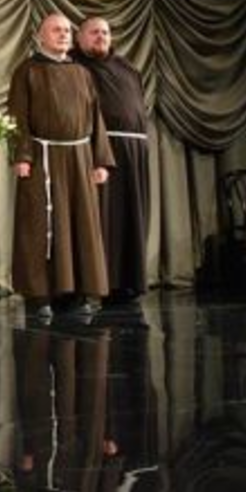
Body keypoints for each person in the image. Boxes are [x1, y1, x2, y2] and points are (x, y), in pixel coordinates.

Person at [8, 13, 113, 320]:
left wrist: (100, 159)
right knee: (40, 226)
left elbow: (96, 118)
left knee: (80, 224)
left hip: (79, 157)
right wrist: (22, 156)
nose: (64, 34)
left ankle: (78, 293)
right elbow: (17, 117)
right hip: (43, 157)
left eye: (67, 30)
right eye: (56, 30)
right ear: (41, 36)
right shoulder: (27, 71)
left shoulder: (81, 72)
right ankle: (40, 294)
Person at [74, 17, 149, 304]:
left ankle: (129, 281)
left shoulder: (127, 68)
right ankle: (100, 282)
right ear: (79, 37)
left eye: (105, 32)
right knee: (103, 220)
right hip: (100, 150)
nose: (101, 37)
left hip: (134, 152)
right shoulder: (74, 67)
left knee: (132, 217)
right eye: (94, 32)